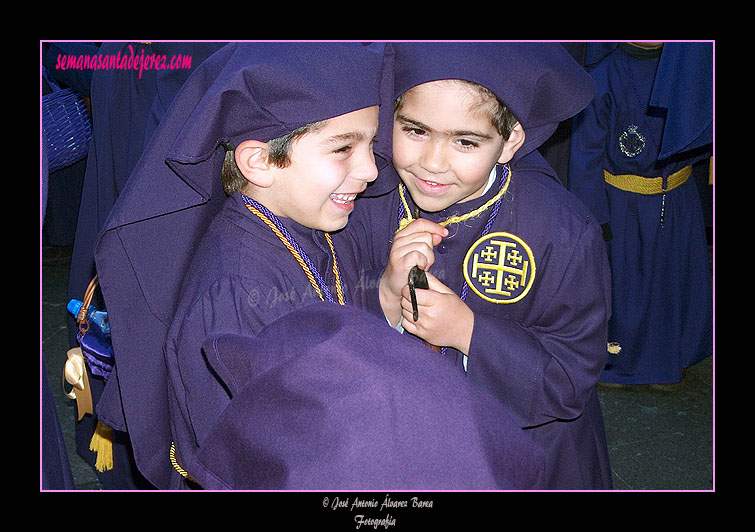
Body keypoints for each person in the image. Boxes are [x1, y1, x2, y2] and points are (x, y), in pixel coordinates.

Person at [95, 42, 546, 490]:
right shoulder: (233, 290)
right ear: (259, 161)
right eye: (343, 149)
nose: (371, 169)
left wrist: (386, 300)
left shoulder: (320, 227)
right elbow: (244, 455)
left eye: (372, 143)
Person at [346, 42, 613, 489]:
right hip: (399, 448)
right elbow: (322, 313)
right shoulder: (365, 202)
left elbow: (571, 377)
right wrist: (384, 297)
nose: (431, 162)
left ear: (510, 141)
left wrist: (468, 332)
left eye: (465, 141)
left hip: (523, 458)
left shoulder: (561, 231)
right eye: (414, 131)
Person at [567, 42, 713, 388]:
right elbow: (585, 151)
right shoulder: (601, 74)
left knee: (669, 286)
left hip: (676, 199)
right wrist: (593, 214)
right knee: (624, 292)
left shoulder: (690, 69)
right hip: (621, 205)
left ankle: (669, 360)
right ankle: (617, 363)